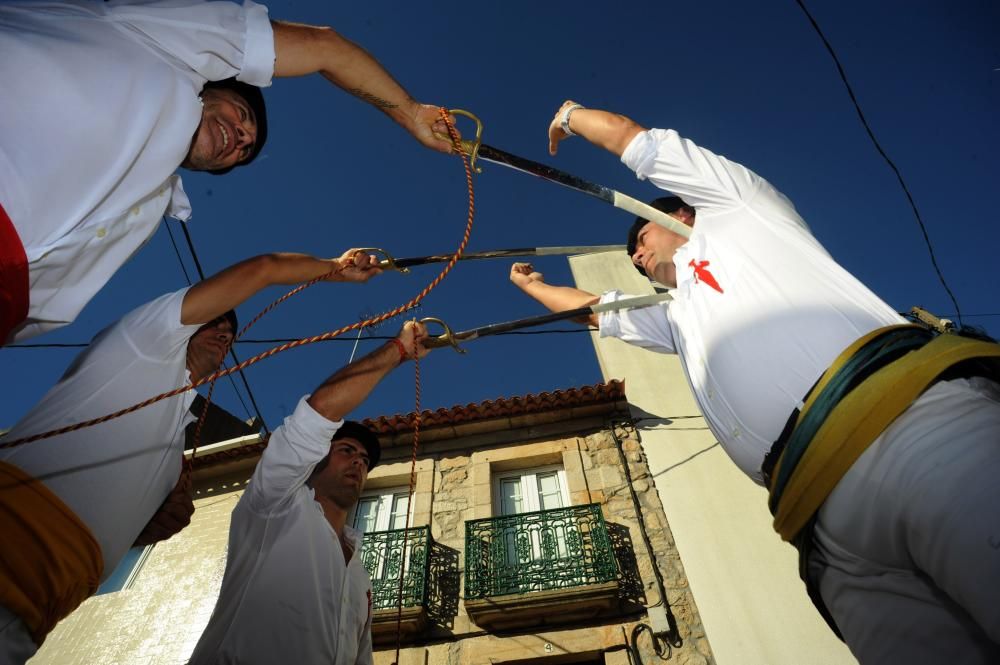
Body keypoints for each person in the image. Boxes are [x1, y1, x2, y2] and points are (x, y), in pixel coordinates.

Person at [507, 100, 1000, 664]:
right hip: (823, 527)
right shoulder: (675, 314)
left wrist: (570, 115)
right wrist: (533, 288)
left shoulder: (736, 210)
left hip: (909, 430)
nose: (636, 257)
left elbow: (632, 140)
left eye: (640, 240)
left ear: (681, 216)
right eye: (633, 258)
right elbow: (594, 310)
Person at [0, 248, 384, 663]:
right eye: (213, 321)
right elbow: (264, 268)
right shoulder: (140, 345)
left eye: (230, 334)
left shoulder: (173, 451)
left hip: (37, 613)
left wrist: (147, 528)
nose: (223, 334)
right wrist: (333, 269)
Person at [0, 0, 456, 344]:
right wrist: (412, 114)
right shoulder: (161, 45)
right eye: (242, 114)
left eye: (244, 150)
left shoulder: (146, 212)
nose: (240, 138)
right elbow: (323, 47)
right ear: (210, 81)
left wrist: (330, 269)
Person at [188, 320, 431, 665]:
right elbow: (318, 413)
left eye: (365, 460)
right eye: (347, 450)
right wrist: (398, 351)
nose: (359, 462)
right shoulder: (276, 503)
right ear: (317, 456)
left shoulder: (359, 574)